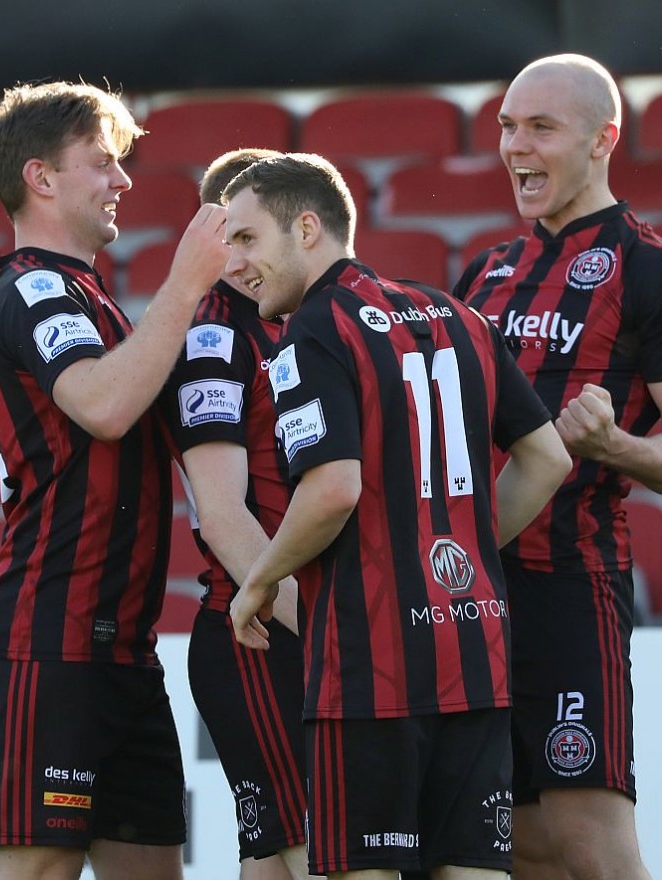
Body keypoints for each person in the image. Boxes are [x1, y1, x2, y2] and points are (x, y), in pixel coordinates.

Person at [221, 153, 573, 880]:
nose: (234, 262)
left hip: (368, 668)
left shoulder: (313, 331)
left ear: (308, 228)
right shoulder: (457, 315)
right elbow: (548, 460)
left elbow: (331, 489)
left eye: (248, 239)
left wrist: (259, 579)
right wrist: (464, 545)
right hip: (474, 654)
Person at [453, 54, 662, 880]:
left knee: (589, 845)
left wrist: (614, 446)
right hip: (467, 594)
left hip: (571, 584)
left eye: (540, 128)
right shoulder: (483, 273)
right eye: (505, 126)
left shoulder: (659, 270)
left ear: (604, 139)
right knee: (502, 843)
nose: (515, 147)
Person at [0, 80, 229, 880]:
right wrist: (187, 283)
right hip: (48, 642)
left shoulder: (97, 305)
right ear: (41, 178)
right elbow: (106, 408)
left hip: (125, 654)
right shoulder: (35, 289)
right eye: (103, 163)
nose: (123, 181)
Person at [160, 148, 314, 880]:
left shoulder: (295, 325)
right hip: (258, 634)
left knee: (275, 861)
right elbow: (223, 520)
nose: (243, 251)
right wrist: (333, 630)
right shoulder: (213, 338)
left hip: (290, 630)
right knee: (323, 856)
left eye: (256, 234)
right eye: (233, 234)